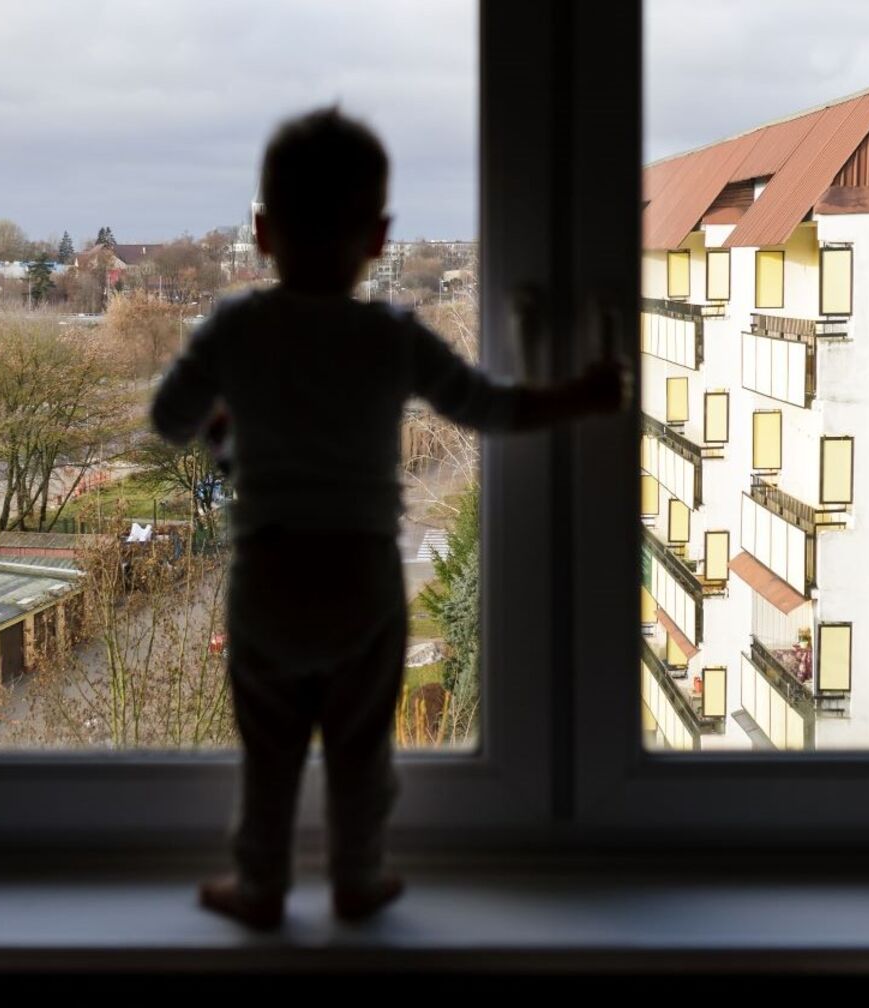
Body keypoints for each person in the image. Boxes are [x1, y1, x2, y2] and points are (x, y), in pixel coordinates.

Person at [149, 106, 626, 930]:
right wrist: (578, 396)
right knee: (360, 745)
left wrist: (223, 419)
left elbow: (169, 417)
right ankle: (358, 876)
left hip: (267, 573)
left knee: (270, 747)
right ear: (378, 238)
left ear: (262, 232)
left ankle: (259, 884)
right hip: (363, 575)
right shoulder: (393, 337)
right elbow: (489, 407)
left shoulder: (236, 327)